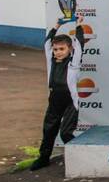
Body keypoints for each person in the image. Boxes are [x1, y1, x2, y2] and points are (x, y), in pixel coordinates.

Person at [30, 16, 85, 171]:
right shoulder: (51, 60)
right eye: (56, 49)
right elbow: (47, 42)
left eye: (62, 49)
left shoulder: (74, 63)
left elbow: (79, 44)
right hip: (54, 100)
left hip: (70, 102)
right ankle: (43, 158)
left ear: (70, 50)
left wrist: (78, 25)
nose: (58, 52)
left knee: (66, 133)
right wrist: (57, 26)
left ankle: (81, 158)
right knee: (49, 130)